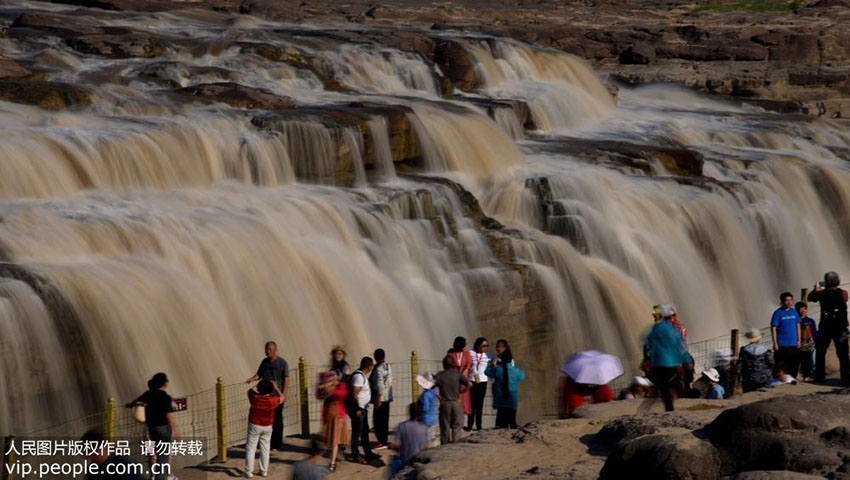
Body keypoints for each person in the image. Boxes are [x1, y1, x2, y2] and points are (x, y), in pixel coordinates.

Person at [126, 373, 177, 480]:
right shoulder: (165, 397)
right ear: (164, 385)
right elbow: (171, 412)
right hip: (163, 428)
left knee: (151, 453)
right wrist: (175, 429)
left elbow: (136, 401)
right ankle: (166, 475)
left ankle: (153, 476)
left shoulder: (147, 395)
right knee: (165, 453)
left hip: (149, 428)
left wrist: (130, 405)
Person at [807, 272, 850, 386]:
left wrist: (815, 289)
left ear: (826, 282)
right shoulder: (844, 293)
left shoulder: (821, 293)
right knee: (844, 353)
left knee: (821, 351)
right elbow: (845, 300)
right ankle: (846, 378)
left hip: (825, 327)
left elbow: (810, 298)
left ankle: (820, 377)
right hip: (842, 328)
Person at [246, 341, 289, 450]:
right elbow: (259, 374)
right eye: (266, 349)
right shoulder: (264, 362)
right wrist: (251, 379)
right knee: (265, 420)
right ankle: (266, 443)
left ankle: (277, 444)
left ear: (275, 350)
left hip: (276, 396)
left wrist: (283, 394)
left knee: (277, 419)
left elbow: (286, 379)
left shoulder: (282, 363)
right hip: (264, 396)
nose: (267, 351)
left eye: (269, 349)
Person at [644, 305, 685, 412]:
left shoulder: (658, 328)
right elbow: (681, 344)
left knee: (663, 385)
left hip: (660, 361)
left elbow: (648, 343)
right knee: (668, 383)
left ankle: (667, 405)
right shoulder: (675, 328)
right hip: (673, 360)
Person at [244, 380, 281, 478]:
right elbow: (283, 398)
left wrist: (257, 386)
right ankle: (263, 471)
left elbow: (249, 391)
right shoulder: (273, 400)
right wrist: (276, 388)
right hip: (267, 426)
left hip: (254, 425)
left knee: (251, 448)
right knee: (265, 449)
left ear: (259, 389)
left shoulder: (254, 398)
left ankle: (248, 471)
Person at [347, 357, 378, 464]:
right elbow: (354, 393)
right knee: (356, 433)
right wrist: (357, 409)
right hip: (358, 410)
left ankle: (368, 453)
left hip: (362, 409)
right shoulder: (359, 377)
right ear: (368, 367)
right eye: (371, 366)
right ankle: (356, 456)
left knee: (364, 432)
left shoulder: (361, 376)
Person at [485, 349, 526, 428]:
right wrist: (513, 366)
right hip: (512, 402)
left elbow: (487, 372)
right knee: (513, 423)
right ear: (511, 359)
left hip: (501, 402)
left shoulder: (497, 370)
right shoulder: (516, 371)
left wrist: (492, 365)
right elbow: (522, 376)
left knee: (501, 425)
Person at [433, 355, 470, 444]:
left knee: (445, 426)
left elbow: (430, 386)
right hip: (456, 402)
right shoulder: (457, 374)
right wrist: (461, 394)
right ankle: (455, 445)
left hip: (445, 403)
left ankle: (445, 445)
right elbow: (469, 384)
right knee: (457, 426)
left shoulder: (439, 375)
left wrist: (439, 397)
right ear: (453, 364)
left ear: (443, 364)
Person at [389, 403, 429, 476]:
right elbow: (426, 447)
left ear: (409, 412)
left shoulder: (401, 426)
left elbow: (396, 444)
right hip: (418, 462)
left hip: (404, 461)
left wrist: (392, 446)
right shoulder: (424, 428)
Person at [318, 372, 348, 472]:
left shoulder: (341, 386)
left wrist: (330, 388)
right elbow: (321, 397)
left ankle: (332, 463)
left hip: (338, 417)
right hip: (329, 416)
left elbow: (342, 394)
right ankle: (334, 458)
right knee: (329, 441)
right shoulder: (329, 388)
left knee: (334, 441)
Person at [771, 292, 802, 378]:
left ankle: (792, 379)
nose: (789, 302)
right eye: (786, 300)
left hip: (793, 343)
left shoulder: (794, 312)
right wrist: (775, 343)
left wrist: (799, 340)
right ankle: (780, 380)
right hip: (782, 344)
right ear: (782, 301)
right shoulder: (778, 313)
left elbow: (798, 325)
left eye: (791, 300)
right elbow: (773, 328)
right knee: (781, 364)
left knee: (794, 363)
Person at [736, 328, 774, 392]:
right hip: (764, 378)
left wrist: (739, 378)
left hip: (748, 379)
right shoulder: (766, 350)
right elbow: (771, 363)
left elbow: (739, 366)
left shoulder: (744, 350)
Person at [369, 348, 393, 450]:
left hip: (380, 398)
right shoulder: (387, 366)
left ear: (375, 357)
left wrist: (378, 398)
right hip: (387, 397)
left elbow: (379, 384)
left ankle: (381, 442)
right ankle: (384, 441)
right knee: (384, 420)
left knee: (378, 421)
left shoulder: (378, 368)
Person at [467, 337, 490, 432]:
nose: (485, 348)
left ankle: (479, 425)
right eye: (484, 346)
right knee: (471, 404)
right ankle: (469, 425)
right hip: (472, 381)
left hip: (483, 381)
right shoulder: (469, 353)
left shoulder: (487, 355)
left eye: (487, 346)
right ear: (477, 345)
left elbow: (498, 360)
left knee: (480, 404)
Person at [447, 337, 472, 420]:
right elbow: (449, 365)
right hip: (454, 380)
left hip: (463, 380)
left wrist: (464, 373)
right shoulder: (450, 354)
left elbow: (468, 364)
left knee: (463, 400)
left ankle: (461, 420)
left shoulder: (466, 353)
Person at [416, 373, 439, 448]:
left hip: (426, 419)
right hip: (434, 418)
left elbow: (425, 407)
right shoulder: (433, 393)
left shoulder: (425, 394)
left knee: (426, 440)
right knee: (433, 439)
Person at [796, 302, 818, 380]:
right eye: (801, 309)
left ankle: (806, 376)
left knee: (807, 361)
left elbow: (814, 332)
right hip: (797, 343)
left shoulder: (810, 320)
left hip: (808, 344)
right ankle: (796, 375)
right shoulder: (795, 320)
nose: (803, 311)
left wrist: (816, 342)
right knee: (796, 361)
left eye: (804, 309)